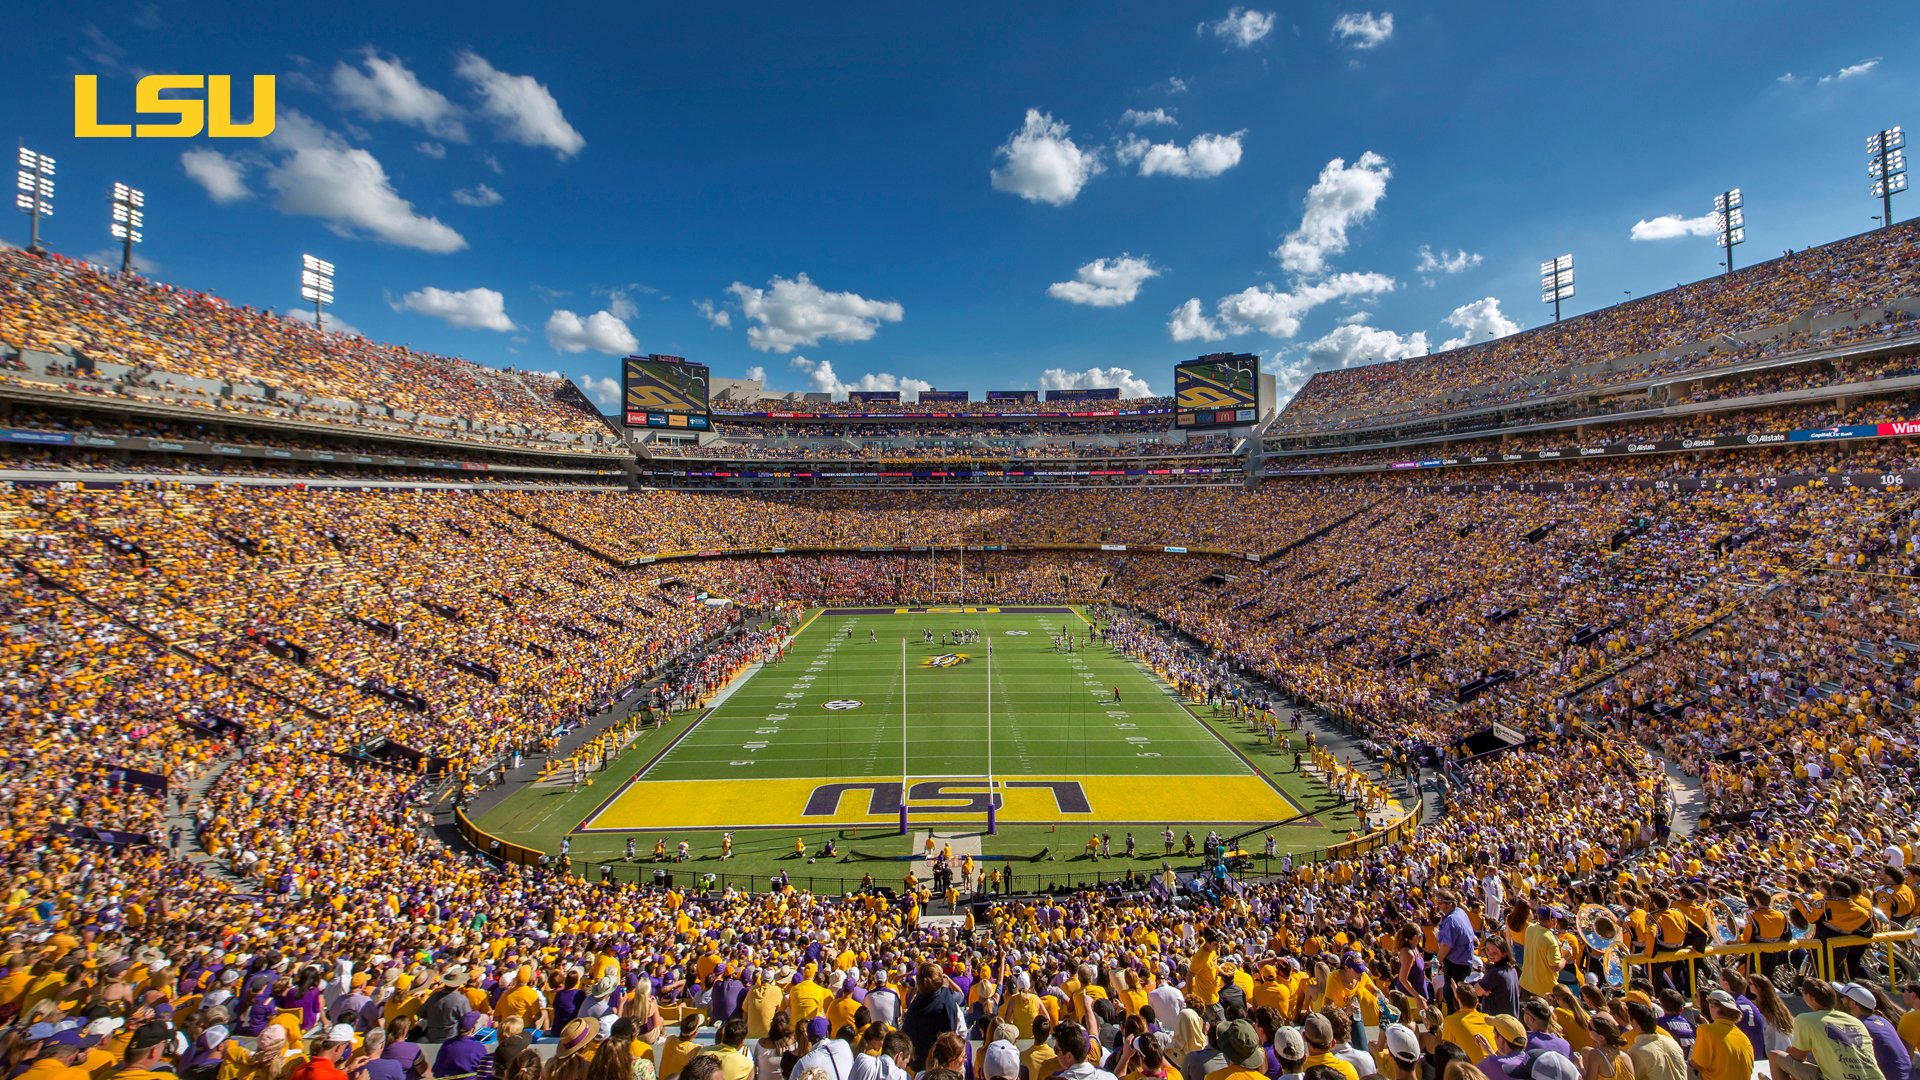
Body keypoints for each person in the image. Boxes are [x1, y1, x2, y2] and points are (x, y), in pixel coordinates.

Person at [1769, 979, 1884, 1080]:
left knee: (1774, 1055)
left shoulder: (1805, 1019)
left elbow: (1798, 1057)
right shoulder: (1855, 1021)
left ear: (1809, 997)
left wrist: (1791, 1051)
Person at [1836, 983, 1911, 1080]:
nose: (1840, 1000)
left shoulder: (1859, 1026)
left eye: (1843, 997)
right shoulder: (1882, 1020)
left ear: (1852, 1004)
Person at [1690, 991, 1756, 1080]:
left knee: (1687, 1067)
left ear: (1712, 1006)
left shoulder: (1705, 1030)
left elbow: (1696, 1065)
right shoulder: (1744, 1038)